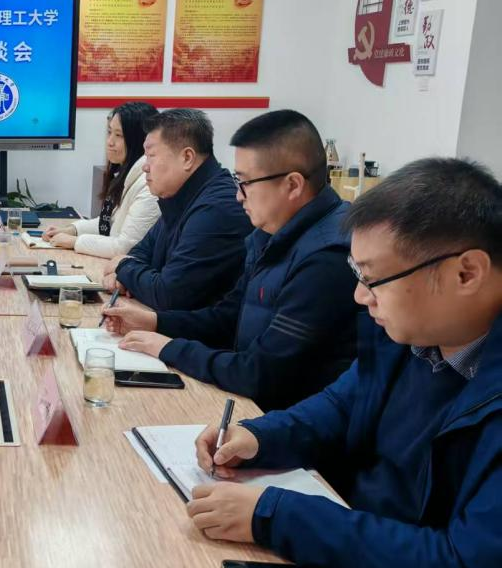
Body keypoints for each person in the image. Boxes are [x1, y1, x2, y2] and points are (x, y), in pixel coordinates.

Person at [186, 158, 502, 568]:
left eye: (373, 279)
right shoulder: (413, 334)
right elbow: (341, 405)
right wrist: (259, 436)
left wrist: (275, 516)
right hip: (362, 567)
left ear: (467, 273)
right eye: (356, 273)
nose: (359, 296)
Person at [104, 110, 358, 410]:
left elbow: (258, 373)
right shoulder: (271, 232)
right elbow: (228, 318)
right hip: (250, 404)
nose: (238, 196)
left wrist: (170, 348)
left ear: (292, 185)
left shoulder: (325, 260)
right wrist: (156, 322)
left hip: (279, 420)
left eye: (246, 182)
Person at [104, 108, 252, 311]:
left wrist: (123, 268)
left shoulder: (217, 209)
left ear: (187, 158)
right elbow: (140, 252)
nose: (145, 167)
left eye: (151, 156)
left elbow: (167, 294)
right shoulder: (178, 196)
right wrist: (129, 271)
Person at [42, 102, 161, 258]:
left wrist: (74, 241)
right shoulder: (126, 173)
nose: (110, 141)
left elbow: (126, 247)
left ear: (142, 140)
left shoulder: (149, 185)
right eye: (109, 132)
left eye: (119, 135)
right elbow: (109, 223)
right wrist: (71, 230)